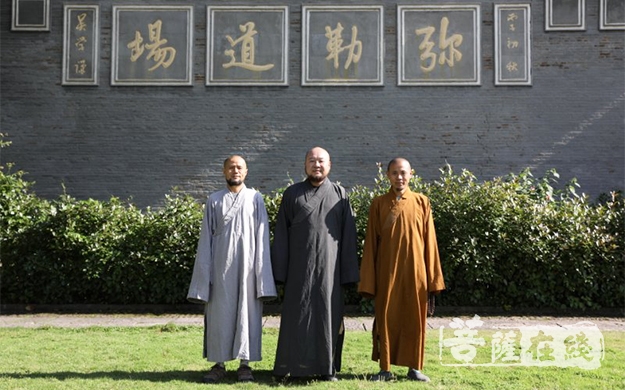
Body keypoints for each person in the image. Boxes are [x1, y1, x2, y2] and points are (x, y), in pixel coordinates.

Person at [271, 146, 360, 381]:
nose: (316, 165)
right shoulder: (292, 194)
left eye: (321, 161)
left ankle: (327, 368)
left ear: (329, 165)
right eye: (312, 161)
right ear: (305, 165)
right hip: (298, 270)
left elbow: (349, 237)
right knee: (296, 316)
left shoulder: (340, 195)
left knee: (328, 317)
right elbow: (281, 234)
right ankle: (292, 367)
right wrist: (280, 272)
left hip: (330, 271)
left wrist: (348, 273)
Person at [187, 155, 277, 383]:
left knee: (247, 313)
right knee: (219, 314)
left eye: (239, 168)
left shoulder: (255, 198)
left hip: (248, 269)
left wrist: (262, 275)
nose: (235, 171)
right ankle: (219, 364)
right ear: (224, 171)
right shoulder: (214, 200)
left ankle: (245, 364)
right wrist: (204, 276)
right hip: (220, 268)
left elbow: (262, 237)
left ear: (246, 172)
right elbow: (205, 240)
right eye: (231, 167)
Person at [358, 157, 445, 382]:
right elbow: (371, 244)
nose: (399, 177)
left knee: (414, 320)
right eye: (395, 173)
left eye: (403, 172)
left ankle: (414, 367)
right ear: (387, 175)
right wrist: (369, 279)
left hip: (416, 273)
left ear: (411, 174)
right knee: (386, 317)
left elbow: (430, 242)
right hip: (387, 272)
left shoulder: (421, 202)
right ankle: (385, 368)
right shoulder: (378, 203)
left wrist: (433, 278)